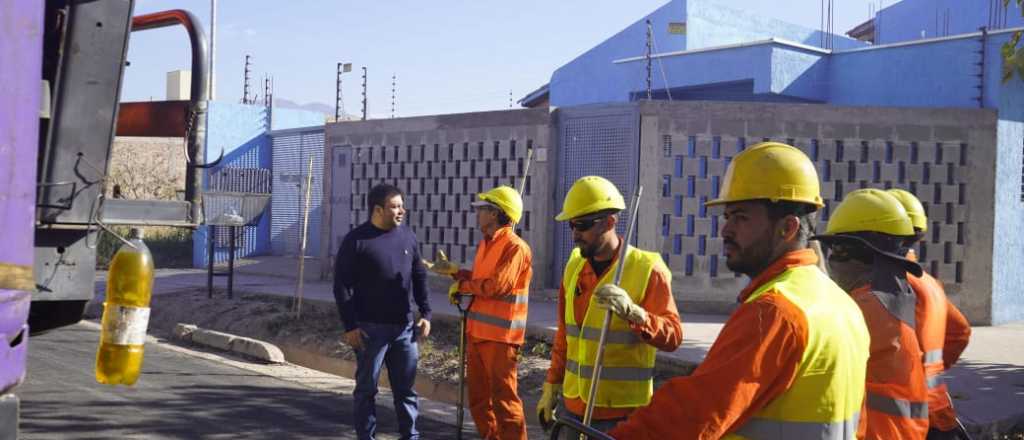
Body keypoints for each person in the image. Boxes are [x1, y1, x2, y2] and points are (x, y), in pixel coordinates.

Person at [607, 142, 870, 439]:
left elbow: (693, 414)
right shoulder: (843, 304)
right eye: (727, 216)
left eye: (741, 217)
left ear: (787, 228)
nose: (725, 230)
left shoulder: (775, 311)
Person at [537, 175, 682, 438]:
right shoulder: (573, 268)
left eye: (582, 225)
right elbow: (565, 336)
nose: (575, 234)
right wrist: (551, 386)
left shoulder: (647, 269)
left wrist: (635, 314)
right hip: (573, 407)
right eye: (571, 225)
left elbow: (673, 337)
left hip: (621, 415)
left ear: (610, 222)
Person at [814, 188, 930, 440]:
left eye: (838, 249)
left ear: (861, 255)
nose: (832, 259)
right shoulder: (894, 294)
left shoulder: (864, 307)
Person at [423, 185, 533, 440]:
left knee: (505, 404)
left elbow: (497, 286)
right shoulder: (487, 244)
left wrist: (461, 285)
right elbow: (482, 279)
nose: (477, 213)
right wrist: (456, 272)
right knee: (480, 402)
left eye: (482, 209)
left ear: (495, 213)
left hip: (501, 338)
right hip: (477, 334)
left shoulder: (514, 247)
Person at [333, 183, 431, 440]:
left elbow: (419, 276)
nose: (401, 211)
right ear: (377, 210)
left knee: (406, 390)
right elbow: (341, 286)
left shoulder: (408, 236)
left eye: (402, 206)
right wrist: (350, 326)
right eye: (395, 207)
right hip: (369, 329)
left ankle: (410, 436)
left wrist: (426, 313)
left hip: (404, 329)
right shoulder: (356, 241)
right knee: (366, 390)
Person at [887, 189, 972, 439]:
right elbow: (960, 332)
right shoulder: (930, 283)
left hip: (913, 420)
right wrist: (931, 370)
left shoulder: (896, 286)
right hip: (938, 411)